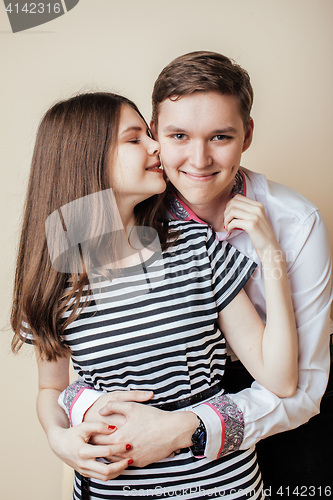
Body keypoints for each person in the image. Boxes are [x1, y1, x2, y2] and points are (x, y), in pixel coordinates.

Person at [59, 52, 333, 497]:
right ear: (154, 136)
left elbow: (299, 384)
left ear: (247, 136)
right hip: (168, 397)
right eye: (179, 135)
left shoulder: (298, 221)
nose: (199, 159)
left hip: (279, 393)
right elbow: (95, 348)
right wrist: (70, 422)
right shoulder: (131, 207)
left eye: (221, 137)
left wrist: (187, 427)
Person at [10, 91, 299, 500]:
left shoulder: (197, 249)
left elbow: (281, 378)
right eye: (135, 138)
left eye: (150, 134)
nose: (155, 145)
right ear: (87, 159)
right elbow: (51, 389)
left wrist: (271, 254)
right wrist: (58, 437)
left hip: (222, 488)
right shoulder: (51, 282)